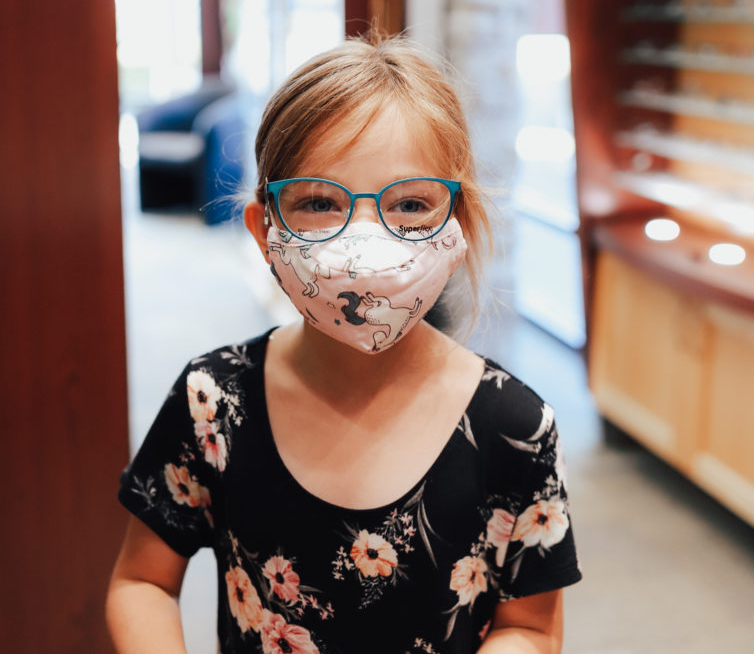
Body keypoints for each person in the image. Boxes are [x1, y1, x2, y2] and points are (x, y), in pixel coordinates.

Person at [106, 34, 581, 653]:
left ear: (456, 226)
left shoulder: (514, 427)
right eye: (319, 203)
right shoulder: (213, 402)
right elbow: (143, 580)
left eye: (409, 203)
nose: (364, 246)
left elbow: (530, 627)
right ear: (264, 230)